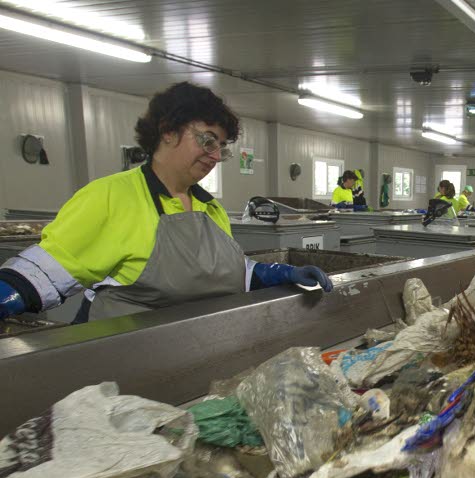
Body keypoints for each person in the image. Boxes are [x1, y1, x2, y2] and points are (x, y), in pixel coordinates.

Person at [0, 82, 332, 324]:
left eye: (221, 147)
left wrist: (280, 273)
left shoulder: (208, 208)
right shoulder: (113, 196)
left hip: (192, 355)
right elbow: (45, 271)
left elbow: (230, 275)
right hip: (118, 363)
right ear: (168, 131)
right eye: (206, 141)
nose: (215, 155)